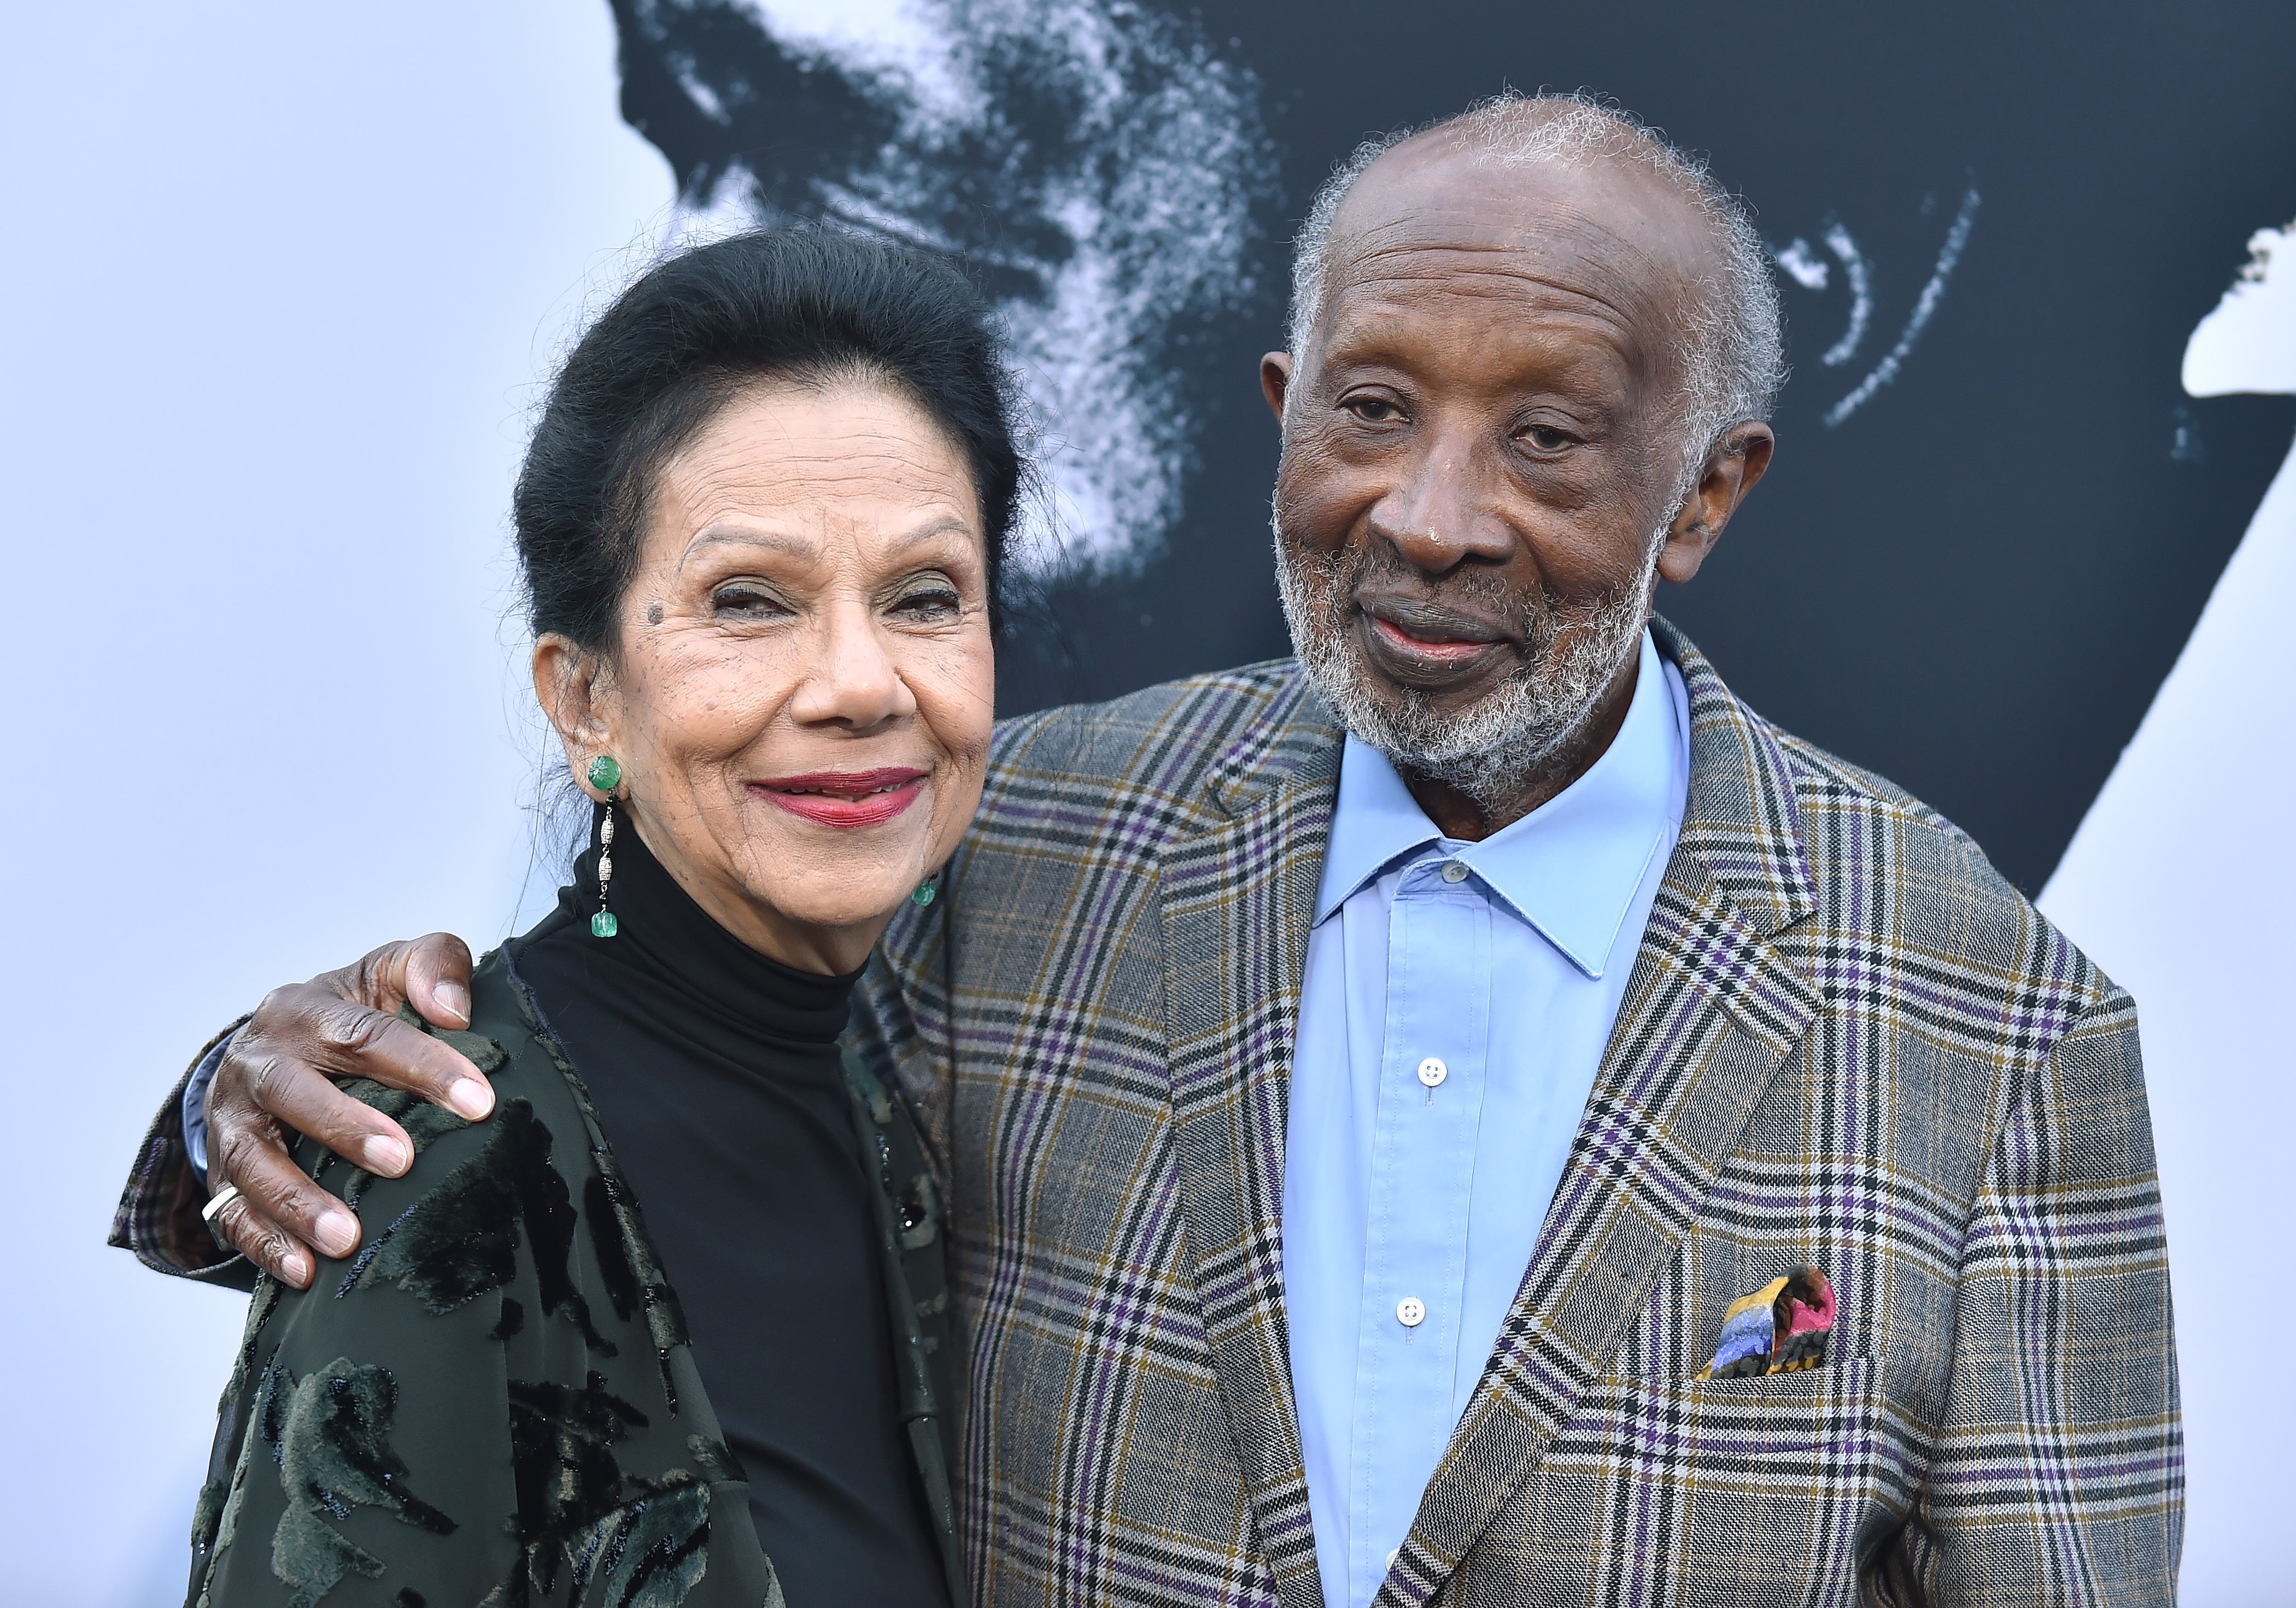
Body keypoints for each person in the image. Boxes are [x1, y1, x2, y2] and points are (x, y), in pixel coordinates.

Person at [116, 94, 2182, 1606]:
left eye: (1547, 437)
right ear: (1284, 408)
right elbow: (638, 1085)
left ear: (1706, 492)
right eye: (1370, 410)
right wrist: (260, 1097)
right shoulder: (1025, 842)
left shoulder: (1993, 1032)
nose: (1432, 516)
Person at [132, 227, 1023, 1606]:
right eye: (750, 602)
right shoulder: (450, 1167)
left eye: (923, 596)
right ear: (586, 698)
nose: (861, 681)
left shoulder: (925, 1069)